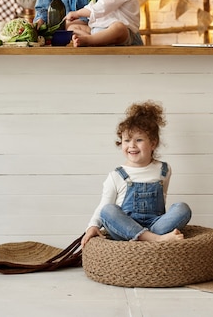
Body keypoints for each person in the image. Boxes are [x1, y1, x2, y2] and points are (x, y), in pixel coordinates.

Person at [81, 101, 192, 247]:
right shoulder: (116, 175)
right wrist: (92, 226)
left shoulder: (164, 170)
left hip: (155, 224)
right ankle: (156, 239)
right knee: (108, 210)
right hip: (125, 228)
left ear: (153, 143)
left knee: (182, 208)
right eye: (126, 140)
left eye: (139, 140)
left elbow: (163, 200)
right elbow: (104, 205)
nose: (132, 145)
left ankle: (148, 236)